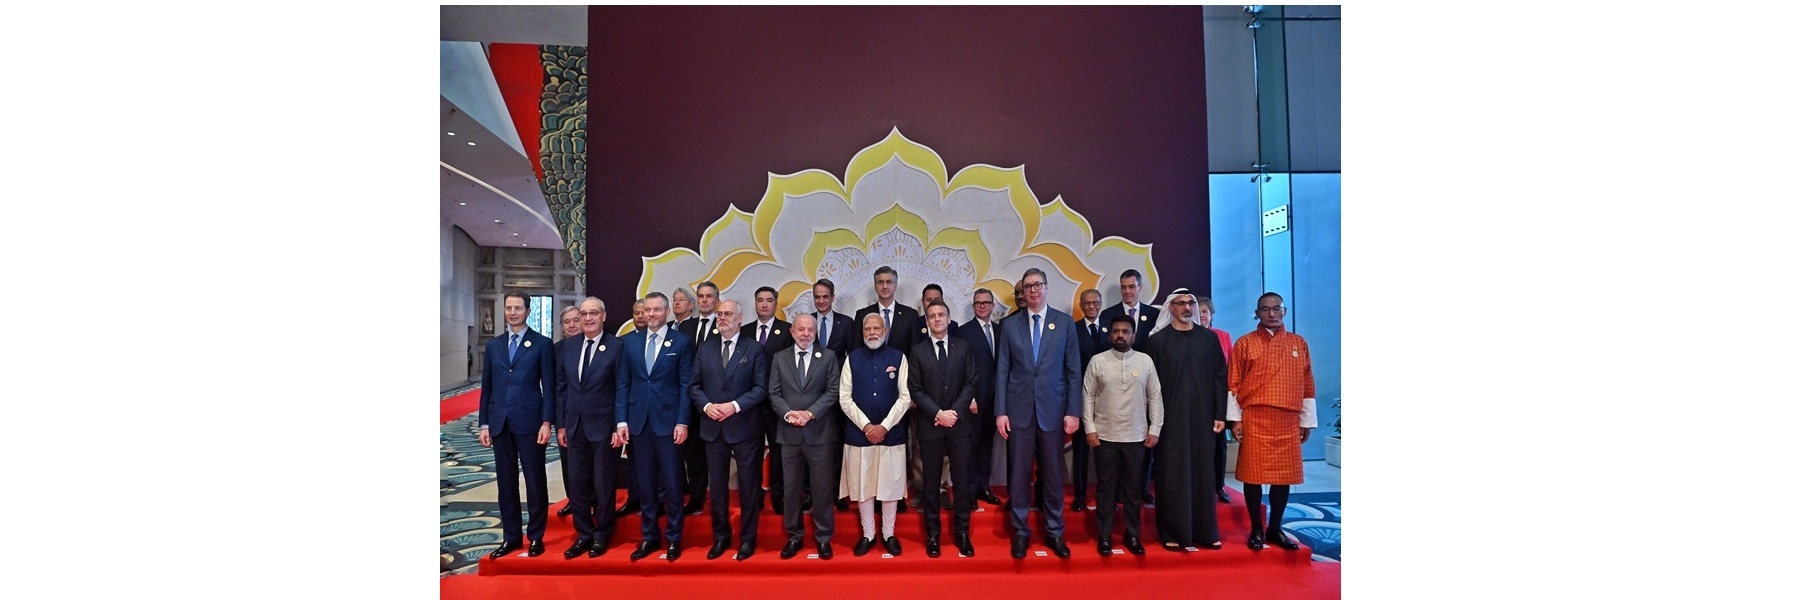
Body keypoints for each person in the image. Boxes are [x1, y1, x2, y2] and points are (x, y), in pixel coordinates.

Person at [993, 268, 1081, 559]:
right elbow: (1002, 370)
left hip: (1053, 412)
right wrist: (1001, 411)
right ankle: (1020, 533)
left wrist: (1073, 411)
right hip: (1018, 412)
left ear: (1046, 288)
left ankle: (1055, 532)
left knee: (1053, 476)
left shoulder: (1064, 323)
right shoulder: (1010, 326)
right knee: (1019, 476)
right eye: (1027, 286)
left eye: (1037, 285)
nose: (1032, 290)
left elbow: (1073, 371)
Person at [1228, 292, 1317, 552]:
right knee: (1252, 476)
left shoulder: (1299, 343)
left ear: (1284, 311)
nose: (1272, 314)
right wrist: (1235, 421)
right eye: (1265, 309)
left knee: (1282, 477)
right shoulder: (1245, 343)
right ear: (1257, 313)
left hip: (1288, 419)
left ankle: (1275, 527)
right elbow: (1233, 383)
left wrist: (1306, 420)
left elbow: (1308, 383)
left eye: (1276, 308)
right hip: (1255, 417)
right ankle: (1256, 528)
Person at [1144, 287, 1229, 551]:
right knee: (1171, 474)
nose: (1186, 308)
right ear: (1171, 307)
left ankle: (1206, 531)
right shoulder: (1157, 342)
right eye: (1180, 303)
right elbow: (1150, 387)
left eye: (1190, 303)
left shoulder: (1209, 339)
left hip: (1204, 419)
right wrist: (1153, 422)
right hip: (1170, 421)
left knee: (1203, 472)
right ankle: (1172, 531)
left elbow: (1219, 378)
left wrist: (1220, 414)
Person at [614, 292, 696, 562]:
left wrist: (683, 421)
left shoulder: (681, 342)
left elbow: (685, 385)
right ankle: (649, 537)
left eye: (657, 310)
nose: (651, 314)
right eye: (647, 310)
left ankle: (673, 538)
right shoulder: (629, 342)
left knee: (672, 484)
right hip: (638, 423)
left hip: (669, 424)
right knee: (646, 484)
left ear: (667, 312)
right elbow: (623, 384)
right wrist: (622, 420)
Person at [687, 299, 768, 561]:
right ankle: (721, 537)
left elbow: (761, 388)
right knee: (718, 488)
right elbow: (694, 386)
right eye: (720, 314)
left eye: (728, 314)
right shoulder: (705, 348)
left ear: (740, 318)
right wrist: (706, 406)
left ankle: (748, 539)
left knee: (749, 487)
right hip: (713, 428)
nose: (722, 318)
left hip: (744, 427)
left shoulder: (754, 349)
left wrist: (734, 406)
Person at [478, 292, 557, 559]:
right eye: (509, 308)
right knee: (506, 483)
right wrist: (484, 424)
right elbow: (487, 387)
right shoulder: (494, 345)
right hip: (500, 423)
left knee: (535, 481)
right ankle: (510, 537)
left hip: (531, 422)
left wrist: (547, 422)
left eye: (518, 308)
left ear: (528, 311)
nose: (513, 312)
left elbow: (549, 387)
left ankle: (536, 536)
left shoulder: (542, 344)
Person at [1082, 315, 1163, 556]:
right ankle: (1105, 536)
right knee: (1105, 489)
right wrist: (1090, 428)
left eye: (1125, 331)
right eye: (1116, 331)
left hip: (1136, 437)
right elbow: (1087, 396)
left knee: (1133, 489)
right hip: (1104, 436)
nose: (1120, 335)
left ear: (1133, 336)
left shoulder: (1145, 361)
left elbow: (1155, 396)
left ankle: (1133, 535)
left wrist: (1155, 429)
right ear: (1110, 335)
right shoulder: (1098, 361)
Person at [907, 299, 980, 558]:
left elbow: (971, 383)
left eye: (941, 315)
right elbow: (915, 389)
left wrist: (953, 413)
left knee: (961, 481)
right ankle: (933, 534)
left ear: (949, 319)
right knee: (930, 483)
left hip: (959, 425)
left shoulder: (963, 347)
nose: (937, 319)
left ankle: (962, 533)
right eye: (932, 316)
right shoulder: (917, 351)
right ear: (927, 322)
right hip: (931, 425)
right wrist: (938, 414)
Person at [767, 313, 843, 560]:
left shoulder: (828, 356)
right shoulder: (779, 358)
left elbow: (833, 391)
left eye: (810, 330)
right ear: (792, 331)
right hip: (789, 433)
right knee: (791, 489)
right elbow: (774, 393)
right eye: (801, 329)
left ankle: (823, 537)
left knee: (822, 489)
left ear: (815, 332)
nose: (806, 334)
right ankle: (794, 536)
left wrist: (810, 414)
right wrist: (789, 414)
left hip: (819, 433)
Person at [838, 313, 913, 557]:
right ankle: (868, 534)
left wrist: (884, 427)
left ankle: (889, 534)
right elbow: (844, 398)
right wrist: (867, 426)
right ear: (862, 332)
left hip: (891, 434)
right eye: (867, 329)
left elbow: (905, 396)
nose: (872, 332)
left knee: (890, 485)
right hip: (859, 435)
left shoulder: (899, 357)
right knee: (864, 485)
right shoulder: (852, 358)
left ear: (885, 330)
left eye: (876, 328)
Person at [555, 298, 624, 559]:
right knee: (577, 482)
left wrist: (619, 424)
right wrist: (561, 424)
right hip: (574, 426)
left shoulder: (617, 346)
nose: (587, 318)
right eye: (583, 314)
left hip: (605, 427)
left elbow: (622, 388)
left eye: (593, 313)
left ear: (603, 316)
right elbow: (561, 388)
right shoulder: (569, 347)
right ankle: (583, 533)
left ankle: (602, 533)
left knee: (604, 483)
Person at [1099, 269, 1161, 503]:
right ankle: (1116, 491)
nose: (1127, 291)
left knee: (1142, 443)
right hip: (1115, 385)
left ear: (1140, 288)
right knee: (1115, 446)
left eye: (1132, 287)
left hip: (1144, 384)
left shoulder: (1155, 315)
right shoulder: (1108, 315)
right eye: (1123, 287)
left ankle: (1142, 488)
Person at [955, 288, 1005, 507]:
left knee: (986, 445)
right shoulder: (963, 332)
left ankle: (984, 487)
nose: (982, 306)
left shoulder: (1001, 330)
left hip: (996, 400)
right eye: (978, 303)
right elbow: (961, 368)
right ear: (973, 306)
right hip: (974, 401)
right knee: (970, 447)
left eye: (986, 302)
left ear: (993, 306)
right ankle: (970, 492)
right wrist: (970, 398)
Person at [676, 281, 722, 515]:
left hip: (716, 400)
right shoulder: (686, 326)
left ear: (717, 300)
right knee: (693, 453)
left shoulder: (723, 324)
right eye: (701, 296)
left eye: (709, 296)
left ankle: (718, 500)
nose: (704, 300)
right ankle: (696, 498)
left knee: (716, 454)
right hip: (691, 399)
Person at [750, 286, 795, 511]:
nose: (764, 304)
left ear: (776, 304)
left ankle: (779, 496)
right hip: (750, 405)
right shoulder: (744, 330)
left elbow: (790, 367)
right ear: (755, 303)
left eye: (769, 300)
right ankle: (754, 496)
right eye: (760, 300)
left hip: (777, 405)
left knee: (779, 453)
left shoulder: (787, 330)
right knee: (751, 453)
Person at [1068, 288, 1108, 512]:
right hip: (1081, 399)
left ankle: (1106, 496)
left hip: (1107, 401)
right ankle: (1080, 496)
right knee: (1081, 453)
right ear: (1081, 306)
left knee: (1106, 455)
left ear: (1101, 304)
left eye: (1096, 302)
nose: (1091, 306)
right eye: (1087, 303)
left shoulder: (1111, 328)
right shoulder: (1072, 330)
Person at [1197, 296, 1235, 504]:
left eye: (1205, 311)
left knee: (1219, 445)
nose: (1201, 315)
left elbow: (1230, 369)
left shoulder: (1223, 336)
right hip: (1196, 399)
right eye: (1198, 311)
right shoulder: (1188, 336)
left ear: (1211, 315)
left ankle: (1219, 485)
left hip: (1218, 399)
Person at [554, 305, 583, 518]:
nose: (572, 325)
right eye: (567, 322)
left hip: (591, 415)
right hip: (565, 414)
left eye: (575, 320)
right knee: (567, 461)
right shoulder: (555, 350)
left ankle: (591, 500)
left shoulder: (596, 344)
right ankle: (572, 500)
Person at [854, 265, 921, 353]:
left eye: (889, 282)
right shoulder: (862, 315)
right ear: (875, 286)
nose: (885, 286)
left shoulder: (910, 315)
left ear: (895, 286)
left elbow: (916, 350)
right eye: (880, 282)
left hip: (902, 362)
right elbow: (856, 349)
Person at [811, 278, 856, 356]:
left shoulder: (846, 322)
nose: (821, 301)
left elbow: (851, 354)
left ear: (832, 297)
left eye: (825, 297)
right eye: (817, 297)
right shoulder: (806, 321)